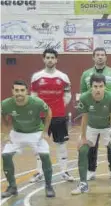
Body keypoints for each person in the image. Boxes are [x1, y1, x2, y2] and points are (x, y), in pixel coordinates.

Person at [71, 74, 111, 195]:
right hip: (91, 127)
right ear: (91, 87)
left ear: (105, 87)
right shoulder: (85, 98)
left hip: (107, 127)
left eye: (101, 86)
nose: (98, 89)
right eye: (95, 86)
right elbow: (84, 118)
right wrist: (83, 137)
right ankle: (83, 184)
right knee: (83, 149)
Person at [1, 80, 56, 198]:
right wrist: (6, 133)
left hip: (36, 133)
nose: (19, 93)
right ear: (12, 91)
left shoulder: (36, 102)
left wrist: (45, 131)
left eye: (22, 90)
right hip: (17, 133)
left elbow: (49, 112)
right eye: (16, 90)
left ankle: (49, 186)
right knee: (5, 155)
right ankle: (12, 187)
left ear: (27, 91)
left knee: (45, 155)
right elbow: (2, 115)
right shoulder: (6, 104)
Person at [80, 47, 111, 181]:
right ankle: (90, 170)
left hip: (110, 112)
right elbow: (83, 92)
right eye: (97, 55)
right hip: (92, 114)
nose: (100, 57)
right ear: (93, 57)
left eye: (102, 55)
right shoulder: (86, 74)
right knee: (90, 144)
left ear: (106, 57)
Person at [30, 48, 75, 183]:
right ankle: (39, 172)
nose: (50, 60)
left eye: (52, 57)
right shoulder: (37, 77)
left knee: (61, 144)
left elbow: (67, 94)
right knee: (39, 144)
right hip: (42, 116)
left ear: (56, 60)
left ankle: (64, 172)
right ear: (44, 59)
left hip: (58, 115)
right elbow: (33, 96)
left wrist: (59, 107)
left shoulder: (63, 77)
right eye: (47, 57)